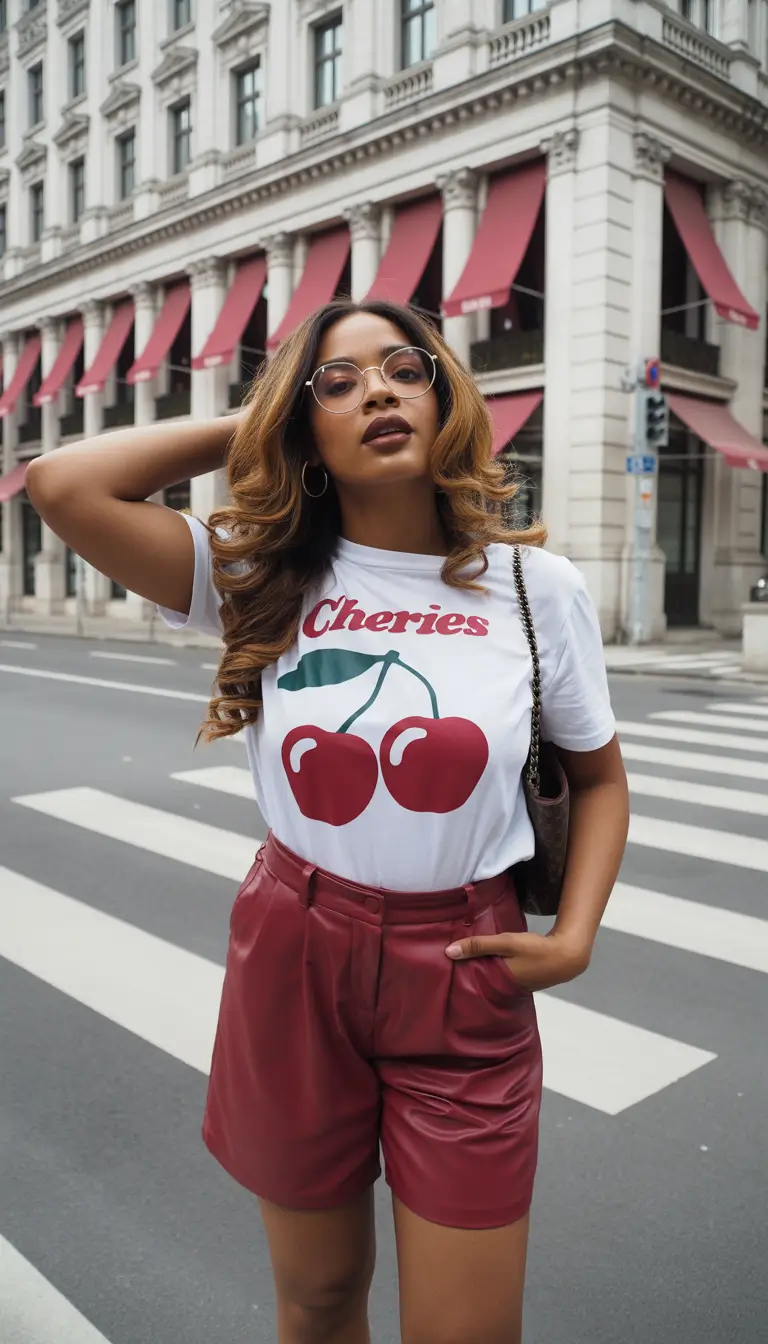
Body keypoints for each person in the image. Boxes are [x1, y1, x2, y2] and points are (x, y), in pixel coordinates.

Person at [28, 299, 630, 1344]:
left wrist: (575, 934)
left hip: (464, 968)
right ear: (306, 432)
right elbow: (63, 484)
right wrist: (269, 408)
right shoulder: (260, 576)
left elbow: (601, 776)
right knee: (315, 1299)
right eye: (339, 384)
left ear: (445, 397)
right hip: (296, 954)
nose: (378, 393)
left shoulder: (538, 589)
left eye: (404, 369)